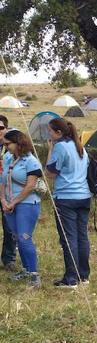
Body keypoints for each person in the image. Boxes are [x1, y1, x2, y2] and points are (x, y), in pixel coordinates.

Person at [45, 118, 92, 288]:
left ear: (58, 133)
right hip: (84, 197)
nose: (48, 134)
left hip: (66, 198)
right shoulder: (79, 146)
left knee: (68, 238)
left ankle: (71, 279)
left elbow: (50, 173)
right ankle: (84, 276)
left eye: (50, 131)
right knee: (82, 236)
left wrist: (50, 150)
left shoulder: (60, 147)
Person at [0, 130, 43, 288]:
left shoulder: (31, 161)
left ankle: (34, 275)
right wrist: (3, 200)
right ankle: (25, 270)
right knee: (17, 238)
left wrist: (14, 202)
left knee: (25, 238)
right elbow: (2, 180)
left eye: (8, 144)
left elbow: (30, 186)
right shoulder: (7, 158)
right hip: (9, 204)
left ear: (18, 143)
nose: (6, 147)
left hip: (27, 204)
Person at [0, 115, 17, 272]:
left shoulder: (12, 145)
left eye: (0, 128)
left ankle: (9, 258)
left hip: (7, 190)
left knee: (10, 225)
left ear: (6, 128)